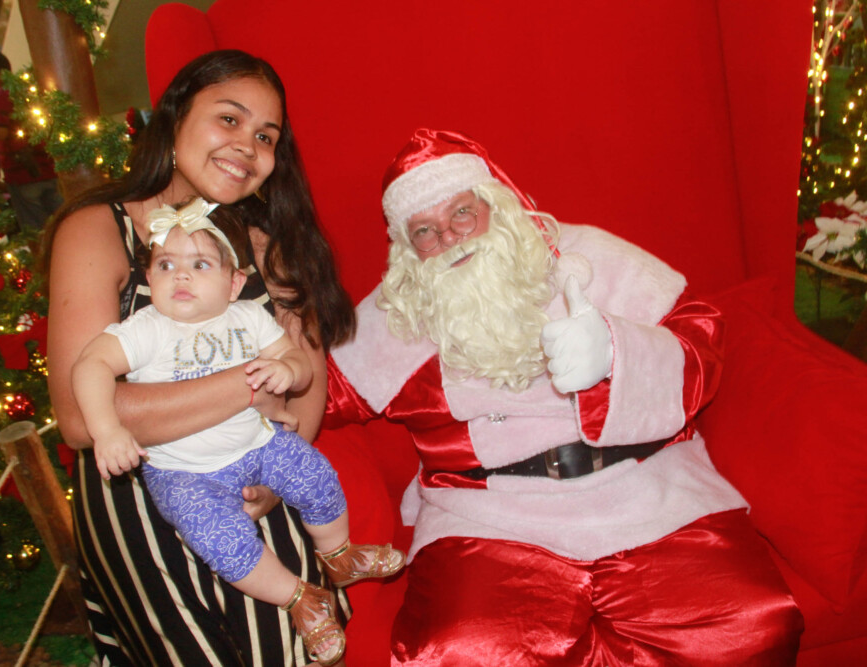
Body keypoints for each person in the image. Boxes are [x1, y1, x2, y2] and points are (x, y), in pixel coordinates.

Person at [324, 128, 805, 665]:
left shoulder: (587, 255)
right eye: (425, 231)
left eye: (462, 213)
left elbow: (700, 339)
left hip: (648, 489)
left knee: (753, 626)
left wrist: (616, 353)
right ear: (407, 249)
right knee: (458, 653)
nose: (451, 239)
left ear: (495, 205)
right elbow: (312, 391)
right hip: (492, 517)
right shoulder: (399, 312)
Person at [44, 49, 357, 666]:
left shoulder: (267, 246)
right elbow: (82, 418)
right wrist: (251, 388)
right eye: (229, 119)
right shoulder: (99, 230)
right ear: (175, 118)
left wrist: (274, 482)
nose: (248, 145)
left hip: (258, 490)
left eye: (266, 136)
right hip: (141, 508)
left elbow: (308, 380)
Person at [71, 199, 404, 666]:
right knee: (222, 542)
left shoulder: (248, 317)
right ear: (149, 277)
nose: (180, 276)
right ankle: (301, 599)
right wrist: (107, 429)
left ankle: (338, 555)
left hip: (258, 445)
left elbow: (297, 360)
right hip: (184, 474)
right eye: (165, 265)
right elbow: (89, 366)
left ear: (233, 284)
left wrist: (288, 371)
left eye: (199, 265)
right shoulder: (146, 329)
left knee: (314, 474)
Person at [0, 49, 63, 229]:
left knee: (36, 229)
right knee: (62, 221)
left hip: (22, 172)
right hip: (47, 167)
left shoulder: (2, 93)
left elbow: (2, 133)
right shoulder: (26, 88)